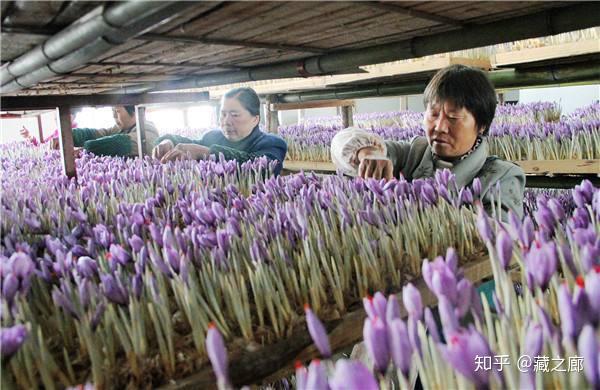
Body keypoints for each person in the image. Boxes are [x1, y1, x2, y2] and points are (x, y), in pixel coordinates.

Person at [330, 64, 525, 220]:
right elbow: (341, 142)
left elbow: (505, 234)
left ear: (481, 124)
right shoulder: (413, 154)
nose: (439, 126)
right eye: (433, 114)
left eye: (453, 117)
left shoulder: (501, 176)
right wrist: (367, 151)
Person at [152, 87, 287, 175]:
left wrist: (207, 153)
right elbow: (189, 143)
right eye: (223, 114)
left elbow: (261, 168)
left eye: (234, 115)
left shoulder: (273, 144)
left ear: (255, 119)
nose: (226, 121)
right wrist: (168, 141)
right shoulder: (213, 137)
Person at [65, 105, 159, 157]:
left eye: (117, 111)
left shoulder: (148, 132)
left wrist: (86, 149)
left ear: (135, 111)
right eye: (112, 111)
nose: (114, 116)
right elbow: (99, 134)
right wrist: (68, 135)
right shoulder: (120, 128)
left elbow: (120, 143)